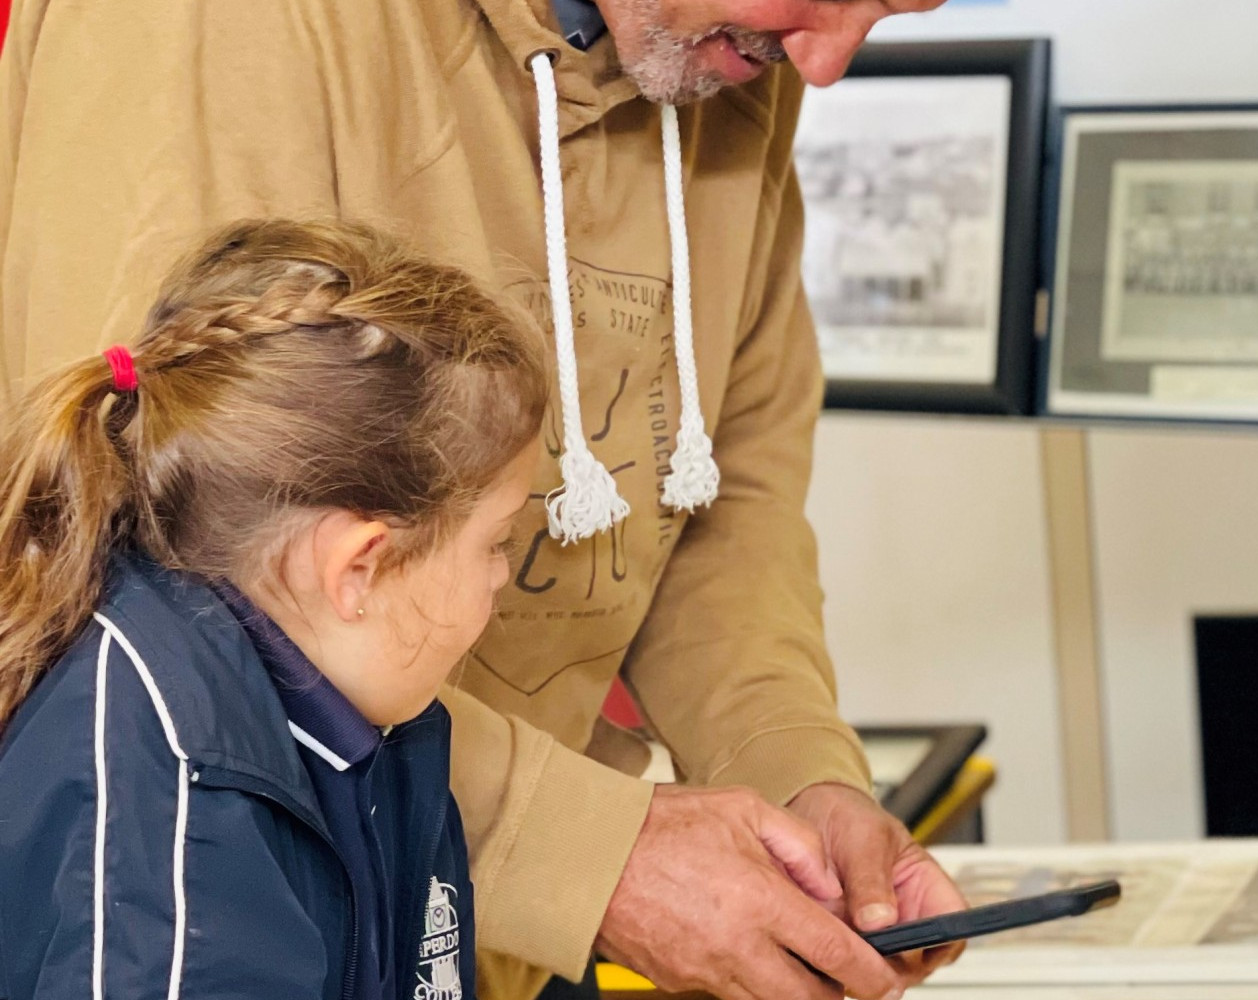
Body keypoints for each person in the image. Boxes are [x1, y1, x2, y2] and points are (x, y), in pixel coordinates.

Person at [0, 2, 964, 998]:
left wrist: (801, 782)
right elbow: (157, 568)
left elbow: (716, 497)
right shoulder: (208, 27)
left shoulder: (731, 43)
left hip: (478, 934)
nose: (831, 59)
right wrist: (591, 853)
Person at [0, 218, 550, 998]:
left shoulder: (382, 715)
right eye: (495, 540)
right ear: (358, 567)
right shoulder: (174, 798)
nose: (502, 575)